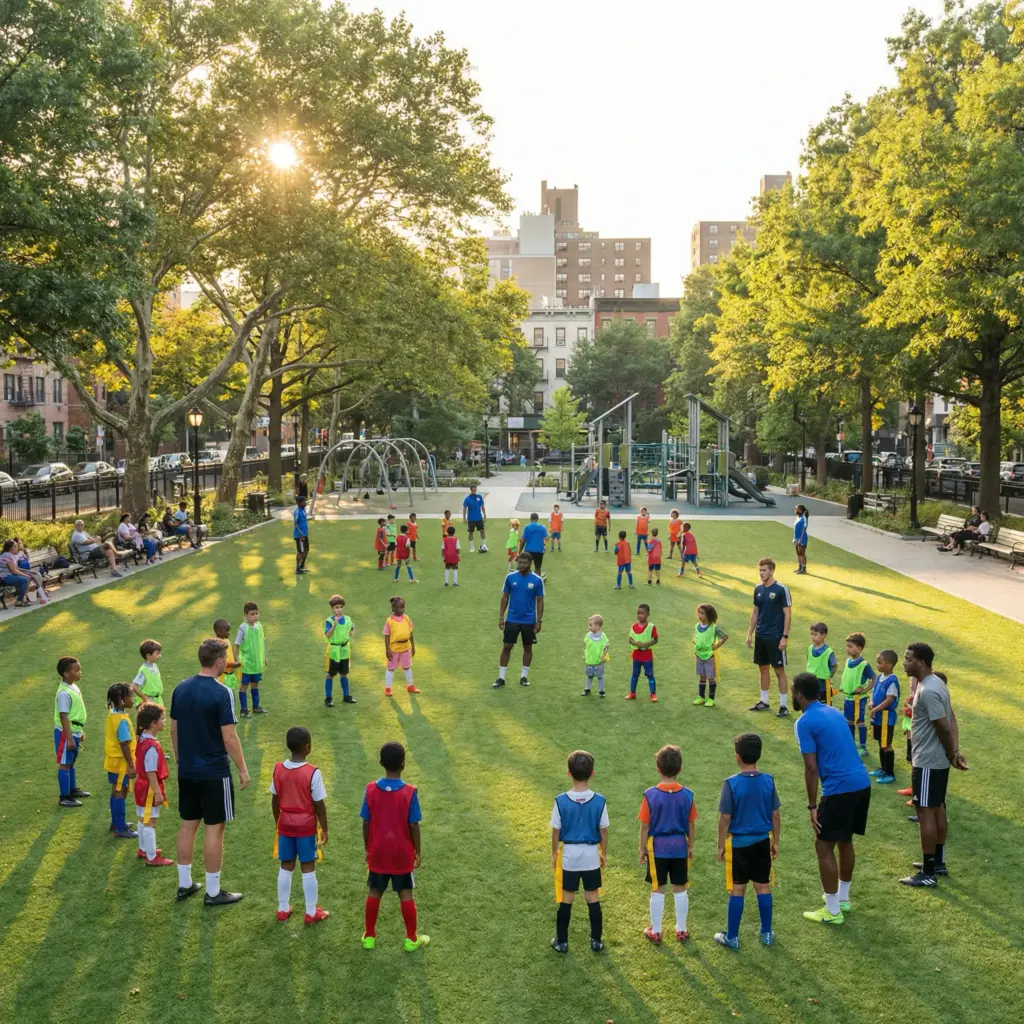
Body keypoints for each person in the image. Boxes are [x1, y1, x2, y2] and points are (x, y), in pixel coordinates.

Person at [170, 636, 250, 905]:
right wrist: (242, 769)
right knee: (215, 829)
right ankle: (213, 892)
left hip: (188, 771)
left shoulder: (181, 688)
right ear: (219, 662)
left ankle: (184, 884)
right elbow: (229, 737)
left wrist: (182, 760)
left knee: (187, 824)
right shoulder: (221, 692)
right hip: (214, 772)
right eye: (226, 658)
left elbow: (174, 729)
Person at [792, 673, 871, 925]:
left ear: (799, 695)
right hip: (862, 784)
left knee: (823, 845)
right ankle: (843, 899)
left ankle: (832, 911)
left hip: (839, 789)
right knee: (845, 839)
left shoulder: (804, 722)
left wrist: (813, 806)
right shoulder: (833, 712)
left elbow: (811, 768)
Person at [900, 644, 968, 887]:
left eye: (907, 659)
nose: (904, 663)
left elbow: (944, 725)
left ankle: (928, 872)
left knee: (925, 812)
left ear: (920, 661)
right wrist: (954, 752)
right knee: (937, 808)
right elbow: (952, 719)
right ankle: (938, 862)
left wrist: (952, 752)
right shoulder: (937, 684)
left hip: (928, 761)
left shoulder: (928, 690)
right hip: (937, 760)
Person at [714, 733, 781, 950]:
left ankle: (732, 937)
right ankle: (767, 933)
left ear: (738, 757)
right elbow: (775, 815)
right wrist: (776, 842)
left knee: (737, 889)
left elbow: (725, 818)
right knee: (763, 887)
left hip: (738, 846)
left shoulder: (731, 784)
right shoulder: (769, 781)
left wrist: (720, 845)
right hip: (763, 841)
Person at [360, 741, 428, 952]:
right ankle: (411, 939)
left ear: (381, 762)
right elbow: (413, 824)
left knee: (374, 892)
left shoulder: (371, 789)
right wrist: (417, 850)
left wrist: (367, 848)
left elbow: (366, 821)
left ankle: (369, 936)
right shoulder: (409, 792)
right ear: (403, 764)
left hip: (378, 851)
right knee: (406, 894)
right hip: (401, 853)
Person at [551, 750, 607, 954]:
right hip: (591, 855)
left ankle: (562, 941)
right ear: (592, 773)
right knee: (592, 898)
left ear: (568, 773)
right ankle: (596, 941)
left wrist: (554, 852)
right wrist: (604, 852)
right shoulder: (600, 801)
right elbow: (604, 830)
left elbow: (555, 830)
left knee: (567, 898)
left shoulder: (560, 801)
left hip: (570, 856)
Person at [272, 726, 329, 925]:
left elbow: (275, 799)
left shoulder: (278, 768)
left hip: (285, 824)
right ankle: (311, 912)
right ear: (307, 748)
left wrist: (278, 822)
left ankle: (282, 908)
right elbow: (319, 803)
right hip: (305, 827)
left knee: (286, 866)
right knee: (308, 867)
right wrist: (324, 828)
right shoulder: (312, 772)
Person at [638, 744, 696, 945]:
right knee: (680, 888)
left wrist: (642, 849)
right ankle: (681, 929)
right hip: (680, 846)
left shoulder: (650, 795)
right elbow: (690, 824)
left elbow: (645, 826)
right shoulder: (687, 794)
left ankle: (656, 930)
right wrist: (690, 847)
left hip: (658, 849)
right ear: (680, 769)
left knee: (658, 887)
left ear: (657, 768)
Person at [745, 557, 791, 717]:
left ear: (772, 571)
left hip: (776, 637)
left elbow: (787, 613)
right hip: (761, 636)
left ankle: (784, 705)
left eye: (764, 570)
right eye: (760, 570)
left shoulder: (781, 589)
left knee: (779, 670)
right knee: (763, 668)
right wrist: (750, 633)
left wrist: (784, 636)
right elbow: (755, 612)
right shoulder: (758, 589)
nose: (761, 573)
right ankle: (764, 701)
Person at [495, 551, 544, 689]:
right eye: (519, 562)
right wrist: (501, 616)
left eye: (524, 563)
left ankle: (524, 677)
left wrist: (539, 620)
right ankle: (501, 677)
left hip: (529, 621)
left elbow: (540, 601)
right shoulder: (510, 577)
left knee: (527, 647)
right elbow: (505, 597)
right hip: (512, 619)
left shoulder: (537, 580)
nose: (521, 565)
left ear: (530, 564)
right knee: (507, 646)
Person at [133, 702, 174, 866]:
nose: (165, 721)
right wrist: (157, 792)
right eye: (162, 719)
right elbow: (151, 771)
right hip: (149, 788)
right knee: (151, 821)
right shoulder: (151, 746)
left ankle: (143, 848)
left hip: (141, 785)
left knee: (143, 818)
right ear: (153, 723)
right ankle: (151, 857)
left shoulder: (143, 738)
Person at [54, 656, 90, 807]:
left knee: (71, 762)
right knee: (65, 763)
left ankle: (72, 789)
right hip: (65, 733)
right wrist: (69, 738)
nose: (80, 672)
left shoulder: (73, 687)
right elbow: (64, 717)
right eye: (76, 670)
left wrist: (79, 731)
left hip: (75, 730)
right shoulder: (64, 693)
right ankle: (64, 797)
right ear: (66, 673)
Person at [104, 682, 138, 839]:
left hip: (112, 761)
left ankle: (115, 822)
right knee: (121, 792)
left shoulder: (113, 714)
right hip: (121, 763)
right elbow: (124, 744)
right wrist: (131, 765)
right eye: (131, 696)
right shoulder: (122, 721)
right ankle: (120, 827)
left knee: (115, 790)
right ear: (122, 700)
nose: (134, 698)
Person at [867, 650, 900, 785]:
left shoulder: (892, 680)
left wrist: (876, 708)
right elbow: (874, 692)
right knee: (881, 742)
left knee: (887, 744)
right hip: (878, 717)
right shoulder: (879, 677)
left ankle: (889, 773)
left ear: (889, 665)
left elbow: (889, 699)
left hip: (886, 717)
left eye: (880, 663)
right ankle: (883, 769)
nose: (877, 665)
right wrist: (871, 702)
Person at [839, 632, 875, 755]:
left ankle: (863, 747)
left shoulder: (864, 664)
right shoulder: (848, 661)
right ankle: (851, 744)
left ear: (859, 648)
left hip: (858, 699)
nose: (847, 648)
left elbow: (874, 679)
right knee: (848, 721)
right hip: (848, 697)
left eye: (850, 646)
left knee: (859, 721)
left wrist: (864, 690)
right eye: (847, 646)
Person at [236, 601, 268, 717]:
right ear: (246, 615)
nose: (255, 616)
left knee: (255, 684)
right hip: (246, 664)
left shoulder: (259, 626)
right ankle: (243, 710)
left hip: (257, 664)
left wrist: (265, 657)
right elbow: (237, 644)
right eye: (252, 614)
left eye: (257, 613)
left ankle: (256, 707)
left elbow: (262, 642)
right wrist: (236, 660)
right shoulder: (243, 628)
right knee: (244, 686)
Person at [693, 603, 728, 707]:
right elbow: (695, 636)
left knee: (710, 677)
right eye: (699, 613)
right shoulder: (696, 626)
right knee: (702, 677)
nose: (700, 615)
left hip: (709, 656)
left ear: (709, 615)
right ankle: (701, 697)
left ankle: (711, 699)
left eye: (702, 613)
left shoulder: (713, 628)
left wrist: (717, 645)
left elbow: (725, 636)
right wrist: (694, 641)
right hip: (699, 655)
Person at [323, 595, 356, 707]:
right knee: (330, 675)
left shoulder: (347, 619)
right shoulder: (329, 621)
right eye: (336, 607)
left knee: (344, 673)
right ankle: (328, 698)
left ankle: (346, 696)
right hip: (333, 651)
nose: (339, 609)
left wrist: (352, 631)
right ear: (332, 608)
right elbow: (328, 635)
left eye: (341, 607)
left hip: (345, 650)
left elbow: (352, 627)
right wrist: (334, 625)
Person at [383, 595, 418, 696]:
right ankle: (388, 688)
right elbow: (386, 635)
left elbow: (410, 633)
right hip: (394, 648)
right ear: (394, 608)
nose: (402, 609)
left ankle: (410, 685)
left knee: (407, 666)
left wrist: (413, 646)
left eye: (403, 606)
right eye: (400, 607)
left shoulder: (406, 618)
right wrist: (387, 649)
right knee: (391, 668)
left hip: (406, 647)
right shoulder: (390, 621)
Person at [626, 603, 658, 703]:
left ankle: (653, 694)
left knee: (650, 675)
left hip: (647, 655)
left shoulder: (651, 627)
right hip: (636, 655)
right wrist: (636, 643)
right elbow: (629, 639)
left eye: (642, 613)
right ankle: (632, 693)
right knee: (635, 674)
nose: (640, 615)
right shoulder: (633, 626)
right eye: (638, 613)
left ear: (648, 614)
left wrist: (646, 644)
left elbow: (656, 639)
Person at [806, 622, 838, 705]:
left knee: (824, 706)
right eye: (812, 634)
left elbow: (834, 665)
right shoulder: (810, 648)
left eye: (815, 634)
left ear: (823, 635)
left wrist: (830, 675)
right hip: (810, 682)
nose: (813, 636)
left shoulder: (828, 651)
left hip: (823, 685)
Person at [1, 539, 36, 606]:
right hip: (3, 577)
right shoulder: (8, 555)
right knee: (25, 580)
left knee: (26, 578)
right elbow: (13, 570)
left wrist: (29, 571)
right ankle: (20, 601)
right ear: (11, 548)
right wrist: (26, 575)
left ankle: (23, 599)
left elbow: (16, 568)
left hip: (6, 576)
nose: (17, 548)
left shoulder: (7, 554)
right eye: (15, 546)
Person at [581, 614, 609, 697]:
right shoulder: (588, 635)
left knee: (600, 676)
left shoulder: (603, 636)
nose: (589, 627)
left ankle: (601, 691)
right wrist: (586, 654)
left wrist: (604, 656)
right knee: (589, 675)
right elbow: (586, 645)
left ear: (597, 626)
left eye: (590, 625)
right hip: (590, 660)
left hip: (599, 662)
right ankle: (587, 689)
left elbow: (606, 646)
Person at [131, 639, 164, 707]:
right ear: (148, 655)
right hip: (149, 702)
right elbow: (134, 686)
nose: (160, 656)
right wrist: (145, 698)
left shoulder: (155, 666)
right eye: (157, 653)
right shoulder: (143, 670)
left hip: (157, 700)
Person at [213, 619, 240, 690]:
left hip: (230, 675)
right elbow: (222, 662)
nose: (229, 633)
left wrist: (235, 660)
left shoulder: (227, 641)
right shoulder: (218, 644)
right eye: (226, 631)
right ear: (218, 632)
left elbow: (230, 655)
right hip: (223, 676)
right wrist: (235, 664)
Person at [520, 512, 548, 577]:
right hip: (539, 550)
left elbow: (523, 541)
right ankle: (537, 580)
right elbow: (547, 537)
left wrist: (519, 552)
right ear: (537, 519)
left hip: (528, 551)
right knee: (538, 567)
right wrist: (544, 541)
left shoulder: (526, 527)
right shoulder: (542, 527)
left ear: (530, 519)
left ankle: (526, 579)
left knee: (527, 566)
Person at [462, 484, 488, 553]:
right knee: (470, 532)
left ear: (476, 490)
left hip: (479, 518)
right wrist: (464, 517)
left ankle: (484, 545)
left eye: (475, 490)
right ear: (471, 490)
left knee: (482, 531)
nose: (474, 491)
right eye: (473, 490)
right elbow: (464, 508)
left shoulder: (479, 497)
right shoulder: (467, 498)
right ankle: (471, 547)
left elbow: (482, 506)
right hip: (471, 519)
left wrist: (484, 515)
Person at [293, 494, 309, 575]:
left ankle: (302, 566)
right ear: (299, 503)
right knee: (300, 551)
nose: (305, 503)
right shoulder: (297, 512)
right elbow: (295, 523)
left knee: (306, 550)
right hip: (300, 536)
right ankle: (297, 569)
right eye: (304, 502)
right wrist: (301, 535)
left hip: (305, 534)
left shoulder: (303, 510)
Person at [793, 504, 809, 574]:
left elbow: (804, 530)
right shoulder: (798, 517)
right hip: (796, 538)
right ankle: (799, 567)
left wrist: (800, 539)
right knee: (798, 553)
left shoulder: (804, 518)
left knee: (802, 553)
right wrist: (794, 538)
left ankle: (804, 569)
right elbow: (795, 529)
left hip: (802, 538)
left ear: (801, 510)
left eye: (796, 509)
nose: (795, 510)